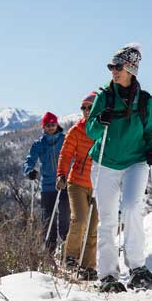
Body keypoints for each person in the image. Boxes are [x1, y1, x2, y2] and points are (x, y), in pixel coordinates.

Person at [86, 43, 152, 292]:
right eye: (111, 67)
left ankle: (137, 266)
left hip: (136, 162)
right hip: (105, 162)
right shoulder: (103, 98)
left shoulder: (145, 100)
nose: (113, 71)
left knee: (131, 207)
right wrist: (99, 120)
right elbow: (91, 131)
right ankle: (108, 275)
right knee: (106, 219)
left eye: (117, 67)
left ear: (131, 69)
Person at [56, 92, 98, 281]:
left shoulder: (105, 130)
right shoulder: (76, 130)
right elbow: (65, 154)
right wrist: (61, 175)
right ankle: (71, 257)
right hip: (77, 183)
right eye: (84, 108)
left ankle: (88, 267)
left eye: (90, 107)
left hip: (98, 184)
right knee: (80, 219)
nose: (86, 111)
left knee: (92, 227)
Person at [22, 112, 70, 254]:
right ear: (44, 126)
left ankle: (68, 247)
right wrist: (29, 170)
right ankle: (49, 250)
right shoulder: (39, 144)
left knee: (65, 215)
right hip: (48, 185)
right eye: (48, 125)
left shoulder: (65, 139)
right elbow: (29, 160)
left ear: (57, 124)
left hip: (63, 183)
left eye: (53, 124)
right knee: (48, 219)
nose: (51, 127)